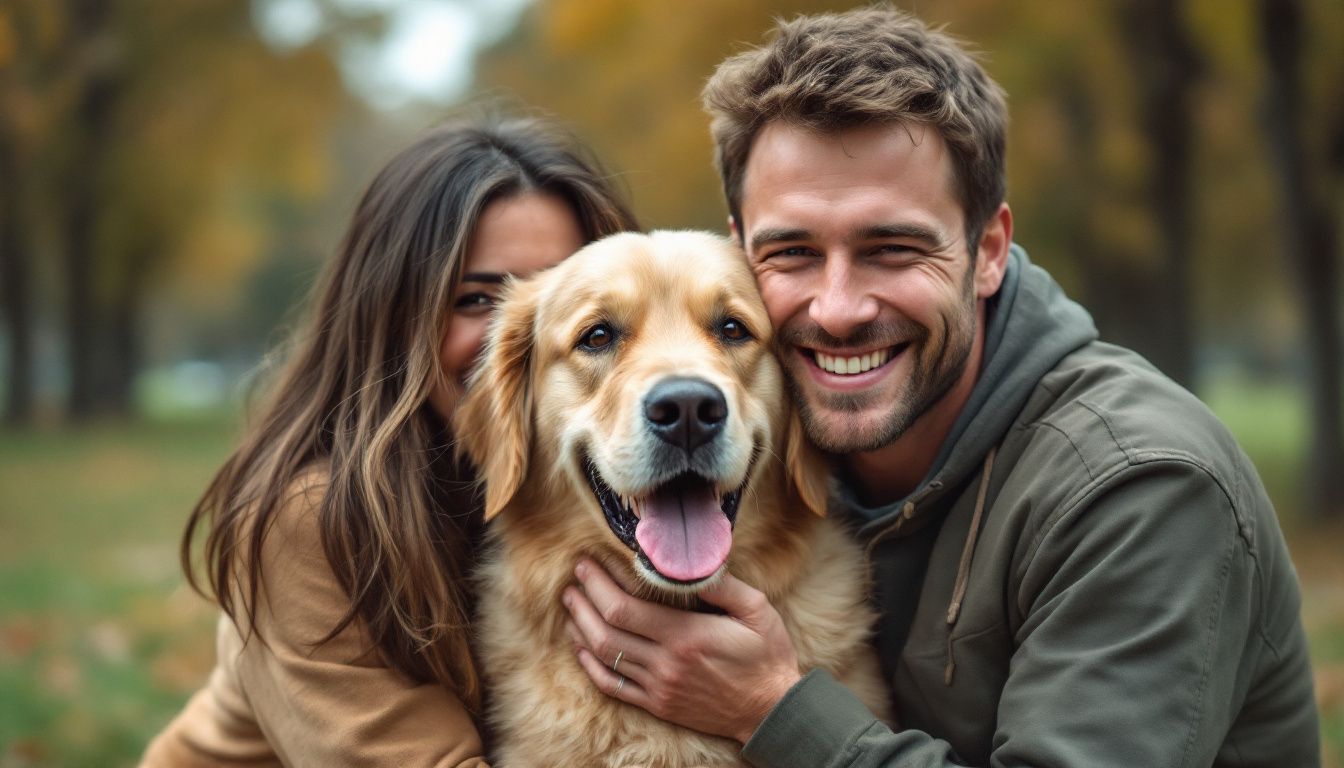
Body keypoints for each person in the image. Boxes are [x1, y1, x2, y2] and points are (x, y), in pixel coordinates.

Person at [561, 7, 1321, 766]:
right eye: (792, 251)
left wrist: (771, 710)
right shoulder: (780, 440)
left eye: (891, 248)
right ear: (740, 252)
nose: (838, 308)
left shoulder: (1142, 486)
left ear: (987, 250)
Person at [141, 117, 637, 766]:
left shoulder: (606, 487)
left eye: (566, 302)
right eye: (477, 298)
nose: (523, 332)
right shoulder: (314, 522)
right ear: (394, 315)